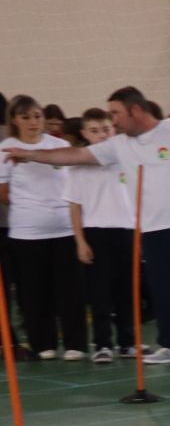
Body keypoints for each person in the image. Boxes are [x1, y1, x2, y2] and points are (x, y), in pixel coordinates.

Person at [5, 86, 170, 367]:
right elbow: (76, 157)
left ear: (136, 110)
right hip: (152, 231)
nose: (113, 120)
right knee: (162, 292)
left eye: (116, 113)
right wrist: (30, 154)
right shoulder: (120, 145)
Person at [1, 95, 86, 360]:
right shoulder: (7, 148)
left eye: (37, 116)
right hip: (27, 232)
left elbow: (74, 183)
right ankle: (42, 343)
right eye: (25, 117)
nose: (33, 122)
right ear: (15, 120)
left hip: (64, 229)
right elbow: (3, 192)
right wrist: (31, 206)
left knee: (70, 289)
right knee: (33, 291)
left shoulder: (59, 145)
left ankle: (75, 343)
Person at [68, 108, 137, 362]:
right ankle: (102, 344)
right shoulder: (77, 167)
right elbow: (74, 207)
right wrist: (80, 241)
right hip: (95, 233)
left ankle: (128, 342)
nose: (101, 136)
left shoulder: (126, 161)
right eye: (94, 131)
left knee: (126, 291)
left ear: (114, 130)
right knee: (99, 293)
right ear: (84, 133)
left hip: (126, 232)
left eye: (106, 129)